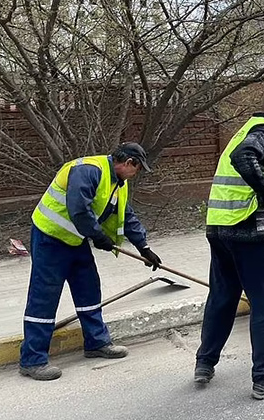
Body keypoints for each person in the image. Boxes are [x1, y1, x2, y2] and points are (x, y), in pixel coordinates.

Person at [19, 143, 163, 381]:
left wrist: (144, 248)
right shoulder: (89, 170)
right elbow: (78, 210)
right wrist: (98, 237)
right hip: (50, 237)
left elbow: (127, 216)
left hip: (76, 239)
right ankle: (32, 360)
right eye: (137, 168)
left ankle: (96, 342)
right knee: (44, 297)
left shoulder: (118, 183)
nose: (136, 174)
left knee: (88, 288)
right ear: (128, 163)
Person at [194, 84, 264, 400]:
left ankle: (205, 363)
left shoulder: (244, 129)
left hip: (219, 228)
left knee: (224, 296)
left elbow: (247, 186)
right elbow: (247, 160)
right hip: (247, 233)